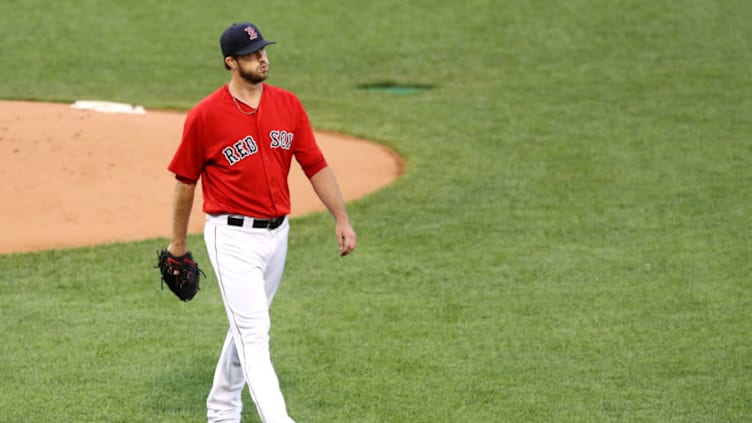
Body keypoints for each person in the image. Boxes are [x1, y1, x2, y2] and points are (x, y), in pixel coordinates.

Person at [164, 21, 357, 423]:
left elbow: (315, 164)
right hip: (231, 237)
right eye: (252, 54)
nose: (262, 58)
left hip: (277, 236)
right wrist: (177, 245)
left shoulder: (288, 104)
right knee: (255, 335)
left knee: (247, 327)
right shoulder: (205, 115)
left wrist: (341, 217)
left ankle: (221, 410)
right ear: (231, 63)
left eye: (263, 50)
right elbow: (185, 182)